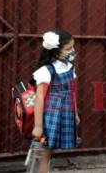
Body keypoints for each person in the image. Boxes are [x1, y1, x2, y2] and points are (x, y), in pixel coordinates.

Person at [32, 29, 80, 173]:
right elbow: (39, 99)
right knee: (44, 149)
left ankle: (44, 170)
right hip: (49, 117)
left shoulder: (69, 68)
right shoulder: (47, 71)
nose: (73, 51)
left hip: (64, 114)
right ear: (56, 51)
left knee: (50, 148)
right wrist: (38, 126)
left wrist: (75, 113)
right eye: (69, 48)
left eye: (73, 47)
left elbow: (72, 92)